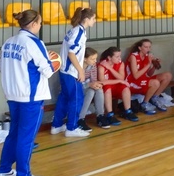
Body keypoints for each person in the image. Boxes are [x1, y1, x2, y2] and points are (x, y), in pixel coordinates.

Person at [0, 9, 54, 176]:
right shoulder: (35, 43)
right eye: (40, 22)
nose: (41, 25)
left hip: (12, 95)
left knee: (14, 134)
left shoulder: (8, 42)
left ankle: (4, 170)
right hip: (30, 97)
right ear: (34, 24)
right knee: (26, 137)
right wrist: (52, 62)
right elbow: (48, 71)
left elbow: (0, 66)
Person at [51, 7, 96, 138]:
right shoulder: (79, 33)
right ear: (86, 19)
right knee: (77, 99)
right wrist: (81, 70)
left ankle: (57, 125)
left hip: (64, 70)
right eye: (93, 18)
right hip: (71, 72)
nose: (95, 21)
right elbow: (71, 53)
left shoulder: (75, 30)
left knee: (64, 98)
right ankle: (72, 127)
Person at [126, 38, 173, 114]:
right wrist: (148, 64)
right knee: (155, 83)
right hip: (132, 82)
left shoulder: (147, 56)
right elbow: (136, 76)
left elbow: (148, 74)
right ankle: (145, 103)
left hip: (143, 80)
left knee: (168, 75)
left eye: (149, 47)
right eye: (146, 47)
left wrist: (154, 66)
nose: (148, 49)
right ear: (140, 48)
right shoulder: (133, 56)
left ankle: (154, 98)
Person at [98, 47, 139, 125]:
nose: (119, 58)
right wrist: (119, 81)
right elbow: (102, 81)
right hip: (106, 88)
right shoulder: (102, 65)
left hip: (115, 87)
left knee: (125, 88)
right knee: (107, 88)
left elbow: (121, 77)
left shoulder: (120, 64)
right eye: (117, 57)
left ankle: (128, 111)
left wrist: (110, 68)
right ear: (109, 57)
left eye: (120, 56)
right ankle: (109, 114)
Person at [79, 47, 107, 131]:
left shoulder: (93, 66)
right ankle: (80, 119)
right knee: (90, 92)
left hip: (87, 86)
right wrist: (89, 84)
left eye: (96, 58)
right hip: (77, 89)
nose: (95, 61)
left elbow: (93, 80)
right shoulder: (78, 67)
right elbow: (76, 85)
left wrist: (96, 85)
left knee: (99, 89)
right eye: (92, 59)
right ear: (84, 59)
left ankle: (100, 116)